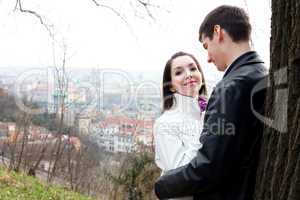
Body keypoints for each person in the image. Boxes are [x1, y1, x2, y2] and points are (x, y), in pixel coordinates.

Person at [154, 5, 267, 200]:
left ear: (218, 32)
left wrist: (161, 186)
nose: (207, 58)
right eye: (179, 72)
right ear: (170, 85)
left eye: (206, 46)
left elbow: (211, 165)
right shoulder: (262, 73)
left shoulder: (230, 87)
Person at [154, 51, 208, 200]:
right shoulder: (165, 124)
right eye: (179, 72)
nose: (189, 74)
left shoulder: (211, 111)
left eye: (192, 68)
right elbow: (179, 174)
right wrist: (205, 127)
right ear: (170, 86)